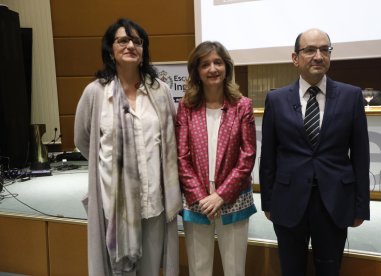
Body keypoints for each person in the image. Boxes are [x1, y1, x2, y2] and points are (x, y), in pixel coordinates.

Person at [74, 18, 182, 276]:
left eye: (137, 41)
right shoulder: (95, 93)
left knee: (150, 270)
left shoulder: (160, 91)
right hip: (115, 205)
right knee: (118, 271)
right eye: (123, 40)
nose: (130, 45)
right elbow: (83, 139)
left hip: (154, 202)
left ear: (144, 50)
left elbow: (171, 138)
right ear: (110, 49)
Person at [259, 28, 370, 276]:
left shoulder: (351, 96)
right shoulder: (276, 100)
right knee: (292, 269)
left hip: (335, 201)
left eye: (324, 49)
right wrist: (268, 201)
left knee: (329, 269)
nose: (318, 56)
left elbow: (361, 156)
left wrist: (361, 206)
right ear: (295, 58)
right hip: (287, 202)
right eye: (309, 50)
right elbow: (268, 157)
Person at [176, 41, 257, 276]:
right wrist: (203, 198)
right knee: (199, 269)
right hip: (196, 200)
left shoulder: (242, 106)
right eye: (205, 64)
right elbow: (182, 157)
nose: (213, 69)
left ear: (226, 67)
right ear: (196, 71)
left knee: (234, 269)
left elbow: (248, 155)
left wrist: (221, 195)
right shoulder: (186, 107)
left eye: (218, 62)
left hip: (233, 199)